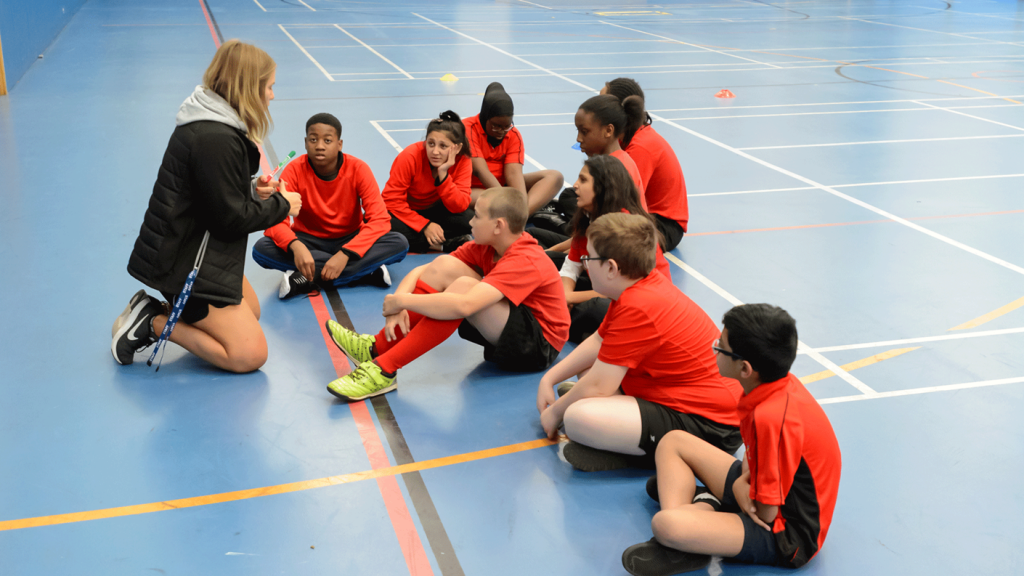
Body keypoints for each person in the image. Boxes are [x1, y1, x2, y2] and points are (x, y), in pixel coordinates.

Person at [112, 39, 302, 372]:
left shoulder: (211, 121)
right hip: (185, 263)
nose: (272, 95)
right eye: (269, 87)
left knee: (252, 312)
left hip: (192, 248)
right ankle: (151, 321)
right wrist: (282, 206)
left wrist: (252, 191)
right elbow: (229, 220)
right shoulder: (215, 139)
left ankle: (167, 311)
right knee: (250, 354)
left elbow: (210, 189)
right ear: (247, 88)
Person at [621, 304, 841, 576]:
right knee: (673, 441)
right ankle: (697, 524)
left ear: (745, 368)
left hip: (785, 533)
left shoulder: (772, 417)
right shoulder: (772, 386)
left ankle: (691, 528)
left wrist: (738, 486)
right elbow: (753, 456)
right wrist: (743, 481)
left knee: (666, 524)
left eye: (720, 346)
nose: (713, 348)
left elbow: (766, 513)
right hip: (762, 492)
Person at [536, 213, 742, 472]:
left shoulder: (640, 305)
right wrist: (549, 379)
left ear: (611, 268)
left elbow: (600, 385)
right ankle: (621, 433)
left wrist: (555, 413)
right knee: (590, 370)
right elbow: (599, 341)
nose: (585, 265)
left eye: (588, 258)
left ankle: (640, 454)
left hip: (712, 426)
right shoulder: (635, 287)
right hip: (675, 394)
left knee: (577, 417)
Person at [324, 187, 570, 401]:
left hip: (538, 346)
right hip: (512, 323)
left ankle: (385, 370)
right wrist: (397, 304)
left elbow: (464, 305)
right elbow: (428, 269)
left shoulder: (525, 258)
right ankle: (376, 348)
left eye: (477, 216)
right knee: (445, 266)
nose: (470, 222)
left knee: (462, 290)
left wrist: (403, 301)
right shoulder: (487, 246)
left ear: (498, 226)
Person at [251, 112, 409, 298]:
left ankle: (309, 278)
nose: (319, 146)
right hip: (308, 241)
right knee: (261, 249)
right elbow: (276, 221)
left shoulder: (358, 169)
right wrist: (295, 246)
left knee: (399, 242)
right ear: (305, 142)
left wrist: (346, 254)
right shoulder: (294, 170)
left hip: (351, 238)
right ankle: (365, 272)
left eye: (327, 141)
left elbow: (380, 220)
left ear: (339, 144)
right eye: (313, 139)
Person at [543, 155, 673, 343]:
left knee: (594, 309)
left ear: (603, 187)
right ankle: (572, 323)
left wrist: (569, 297)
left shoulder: (625, 226)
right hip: (605, 284)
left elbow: (623, 289)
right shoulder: (588, 217)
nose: (576, 185)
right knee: (549, 264)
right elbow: (571, 265)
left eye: (583, 180)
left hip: (642, 300)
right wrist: (564, 295)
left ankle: (557, 321)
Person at [602, 78, 689, 251]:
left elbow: (622, 201)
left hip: (664, 226)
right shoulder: (630, 137)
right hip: (646, 215)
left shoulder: (640, 147)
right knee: (572, 196)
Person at [463, 82, 564, 215]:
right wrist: (507, 200)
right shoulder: (467, 128)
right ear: (485, 117)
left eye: (507, 126)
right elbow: (481, 171)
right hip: (473, 188)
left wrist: (520, 204)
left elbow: (513, 174)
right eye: (496, 126)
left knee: (555, 177)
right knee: (485, 199)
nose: (502, 131)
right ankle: (523, 211)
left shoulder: (513, 134)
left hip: (503, 185)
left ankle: (522, 214)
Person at [383, 110, 474, 254]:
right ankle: (443, 245)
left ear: (457, 148)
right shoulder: (410, 156)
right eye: (431, 144)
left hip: (435, 211)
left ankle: (424, 240)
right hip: (405, 212)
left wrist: (443, 174)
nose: (435, 152)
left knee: (469, 220)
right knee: (380, 225)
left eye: (443, 146)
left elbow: (460, 206)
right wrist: (424, 225)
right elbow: (391, 200)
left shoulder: (463, 160)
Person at [573, 94, 647, 208]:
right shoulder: (609, 161)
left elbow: (615, 222)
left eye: (584, 131)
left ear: (608, 130)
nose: (578, 139)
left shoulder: (616, 170)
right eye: (578, 131)